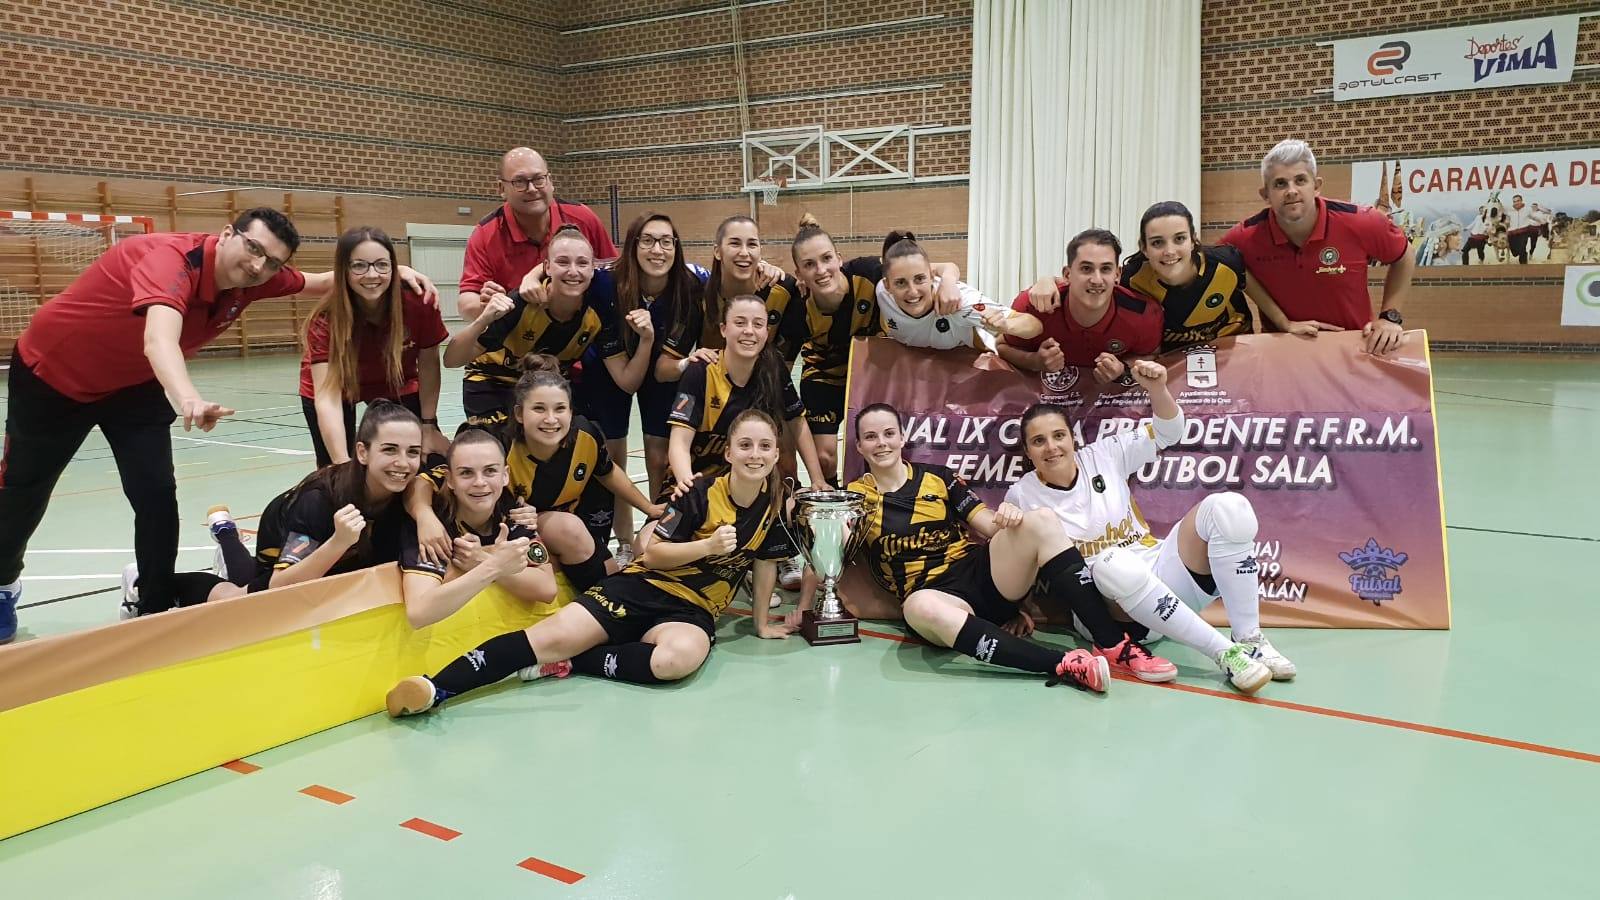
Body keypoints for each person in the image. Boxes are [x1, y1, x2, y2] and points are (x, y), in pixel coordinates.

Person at [0, 208, 436, 640]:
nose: (258, 265)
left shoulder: (256, 278)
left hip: (130, 386)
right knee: (24, 491)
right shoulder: (169, 260)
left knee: (155, 494)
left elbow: (323, 280)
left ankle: (154, 605)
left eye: (272, 262)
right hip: (52, 376)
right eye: (253, 249)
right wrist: (187, 397)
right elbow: (158, 339)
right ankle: (3, 583)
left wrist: (393, 271)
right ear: (228, 234)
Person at [383, 409, 799, 717]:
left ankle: (574, 661)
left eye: (764, 446)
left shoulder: (777, 502)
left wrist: (761, 622)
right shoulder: (698, 492)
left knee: (676, 661)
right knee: (545, 636)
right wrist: (707, 548)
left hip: (693, 609)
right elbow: (650, 553)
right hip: (642, 585)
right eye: (745, 445)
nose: (755, 454)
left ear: (777, 453)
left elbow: (765, 562)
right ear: (728, 451)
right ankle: (435, 688)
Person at [1003, 364, 1296, 694]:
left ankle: (1249, 640)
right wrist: (1014, 610)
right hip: (1110, 613)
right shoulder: (1021, 494)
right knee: (1113, 562)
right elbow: (1014, 561)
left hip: (1159, 578)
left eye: (1058, 436)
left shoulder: (1105, 454)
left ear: (1073, 438)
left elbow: (1170, 431)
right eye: (1038, 441)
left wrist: (1157, 389)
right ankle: (1225, 654)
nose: (1051, 447)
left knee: (1229, 509)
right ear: (1027, 452)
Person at [839, 403, 1110, 691]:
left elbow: (989, 525)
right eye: (870, 436)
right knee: (919, 608)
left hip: (982, 575)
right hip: (935, 597)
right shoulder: (853, 499)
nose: (881, 442)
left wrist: (1010, 516)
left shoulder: (939, 477)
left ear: (902, 438)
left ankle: (1113, 642)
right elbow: (838, 554)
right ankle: (1064, 664)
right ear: (859, 446)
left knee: (1040, 520)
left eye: (889, 433)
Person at [119, 401, 427, 616]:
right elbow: (282, 583)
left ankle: (227, 536)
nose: (403, 463)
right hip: (282, 540)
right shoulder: (320, 502)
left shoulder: (412, 487)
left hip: (333, 551)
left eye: (412, 452)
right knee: (242, 601)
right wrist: (338, 542)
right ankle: (141, 582)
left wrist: (427, 516)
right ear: (362, 451)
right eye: (389, 450)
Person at [409, 357, 659, 592]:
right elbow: (428, 479)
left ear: (571, 412)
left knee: (608, 569)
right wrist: (424, 516)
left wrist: (649, 508)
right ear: (519, 414)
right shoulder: (495, 441)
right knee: (567, 529)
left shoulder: (586, 435)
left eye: (560, 408)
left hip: (552, 522)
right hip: (501, 530)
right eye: (539, 408)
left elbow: (608, 472)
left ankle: (605, 601)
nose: (551, 419)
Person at [785, 217, 978, 477]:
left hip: (874, 372)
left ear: (839, 258)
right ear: (799, 274)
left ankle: (886, 501)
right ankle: (834, 508)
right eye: (809, 265)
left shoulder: (869, 273)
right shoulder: (797, 308)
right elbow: (783, 367)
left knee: (885, 446)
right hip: (824, 375)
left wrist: (948, 283)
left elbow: (942, 267)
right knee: (824, 458)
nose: (821, 270)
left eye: (826, 259)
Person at [653, 295, 827, 583]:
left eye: (758, 324)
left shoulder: (773, 368)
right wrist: (690, 488)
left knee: (785, 496)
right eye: (740, 323)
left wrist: (817, 477)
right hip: (703, 479)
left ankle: (777, 554)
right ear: (723, 329)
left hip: (749, 478)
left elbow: (797, 422)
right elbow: (680, 442)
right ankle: (725, 562)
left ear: (766, 331)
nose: (749, 331)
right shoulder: (701, 371)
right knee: (645, 545)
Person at [1220, 139, 1413, 356]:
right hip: (1284, 355)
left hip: (1354, 353)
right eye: (1280, 184)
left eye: (1300, 180)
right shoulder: (1245, 237)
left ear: (1317, 186)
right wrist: (1282, 321)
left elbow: (1404, 256)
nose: (1291, 191)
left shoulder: (1362, 222)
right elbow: (1216, 265)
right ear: (1265, 195)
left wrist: (1389, 317)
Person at [300, 226, 449, 467]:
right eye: (359, 266)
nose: (372, 275)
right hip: (338, 387)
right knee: (335, 471)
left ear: (393, 267)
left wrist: (428, 424)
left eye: (381, 265)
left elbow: (430, 364)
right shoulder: (325, 319)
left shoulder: (419, 302)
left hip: (395, 380)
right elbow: (327, 397)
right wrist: (340, 465)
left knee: (425, 458)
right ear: (344, 270)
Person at [444, 225, 616, 431]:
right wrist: (483, 320)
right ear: (547, 267)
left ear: (592, 268)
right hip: (493, 383)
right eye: (562, 262)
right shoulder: (520, 303)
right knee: (500, 450)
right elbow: (451, 360)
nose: (573, 271)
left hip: (544, 390)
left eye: (582, 263)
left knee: (581, 435)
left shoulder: (598, 312)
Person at [399, 428, 557, 629]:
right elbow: (419, 613)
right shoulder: (432, 526)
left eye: (490, 471)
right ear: (450, 479)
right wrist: (494, 567)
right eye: (466, 473)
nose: (480, 483)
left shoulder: (514, 512)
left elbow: (547, 588)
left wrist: (482, 561)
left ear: (505, 475)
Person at [456, 147, 616, 324]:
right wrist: (489, 305)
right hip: (517, 341)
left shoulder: (583, 218)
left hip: (583, 334)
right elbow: (467, 304)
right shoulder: (485, 235)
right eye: (520, 182)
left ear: (550, 181)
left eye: (539, 179)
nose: (532, 189)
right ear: (501, 188)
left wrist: (533, 275)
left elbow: (614, 271)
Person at [1122, 201, 1295, 350]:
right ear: (1144, 247)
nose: (1169, 251)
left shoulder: (1226, 262)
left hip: (1232, 345)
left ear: (1193, 240)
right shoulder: (1133, 279)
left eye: (1179, 239)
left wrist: (1285, 324)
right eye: (1157, 242)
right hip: (1173, 357)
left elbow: (1254, 290)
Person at [1000, 229, 1163, 385]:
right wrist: (1034, 361)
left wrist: (1123, 369)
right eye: (1086, 269)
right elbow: (1001, 345)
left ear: (1117, 275)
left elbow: (1152, 354)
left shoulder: (1144, 314)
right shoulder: (1034, 304)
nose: (1097, 280)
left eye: (1106, 269)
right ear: (1067, 274)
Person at [659, 215, 799, 359]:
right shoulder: (698, 296)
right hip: (711, 378)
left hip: (766, 379)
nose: (744, 253)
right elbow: (663, 368)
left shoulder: (785, 289)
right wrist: (690, 362)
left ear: (760, 251)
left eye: (752, 244)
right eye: (735, 243)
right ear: (717, 252)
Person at [874, 231, 1038, 351]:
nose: (913, 292)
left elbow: (1033, 325)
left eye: (919, 279)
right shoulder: (882, 293)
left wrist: (1006, 325)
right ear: (887, 285)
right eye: (901, 283)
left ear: (931, 276)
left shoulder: (961, 302)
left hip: (967, 365)